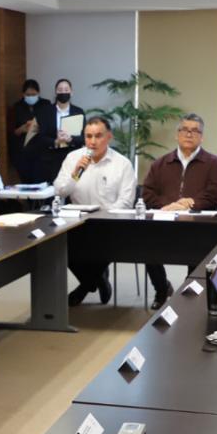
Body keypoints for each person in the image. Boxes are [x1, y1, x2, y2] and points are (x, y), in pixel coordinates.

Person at [140, 113, 217, 309]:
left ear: (202, 137)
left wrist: (190, 204)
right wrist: (171, 206)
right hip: (164, 223)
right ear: (177, 134)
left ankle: (189, 298)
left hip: (198, 226)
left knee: (196, 251)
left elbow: (214, 195)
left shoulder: (215, 164)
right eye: (185, 130)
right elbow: (147, 193)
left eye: (195, 131)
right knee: (146, 246)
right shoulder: (160, 163)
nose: (189, 134)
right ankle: (162, 289)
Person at [54, 116, 136, 306]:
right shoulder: (73, 158)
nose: (92, 141)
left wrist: (103, 216)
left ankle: (85, 287)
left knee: (103, 243)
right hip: (78, 222)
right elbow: (59, 191)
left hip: (110, 223)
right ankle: (99, 279)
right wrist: (75, 173)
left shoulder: (122, 164)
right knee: (60, 246)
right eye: (88, 136)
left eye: (98, 136)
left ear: (109, 137)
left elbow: (126, 202)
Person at [10, 78, 52, 182]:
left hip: (41, 151)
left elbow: (51, 127)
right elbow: (12, 132)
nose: (31, 97)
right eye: (28, 95)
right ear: (23, 94)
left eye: (33, 94)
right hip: (23, 152)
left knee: (41, 182)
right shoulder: (17, 107)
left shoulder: (46, 105)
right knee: (26, 182)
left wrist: (38, 128)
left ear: (38, 93)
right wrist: (22, 128)